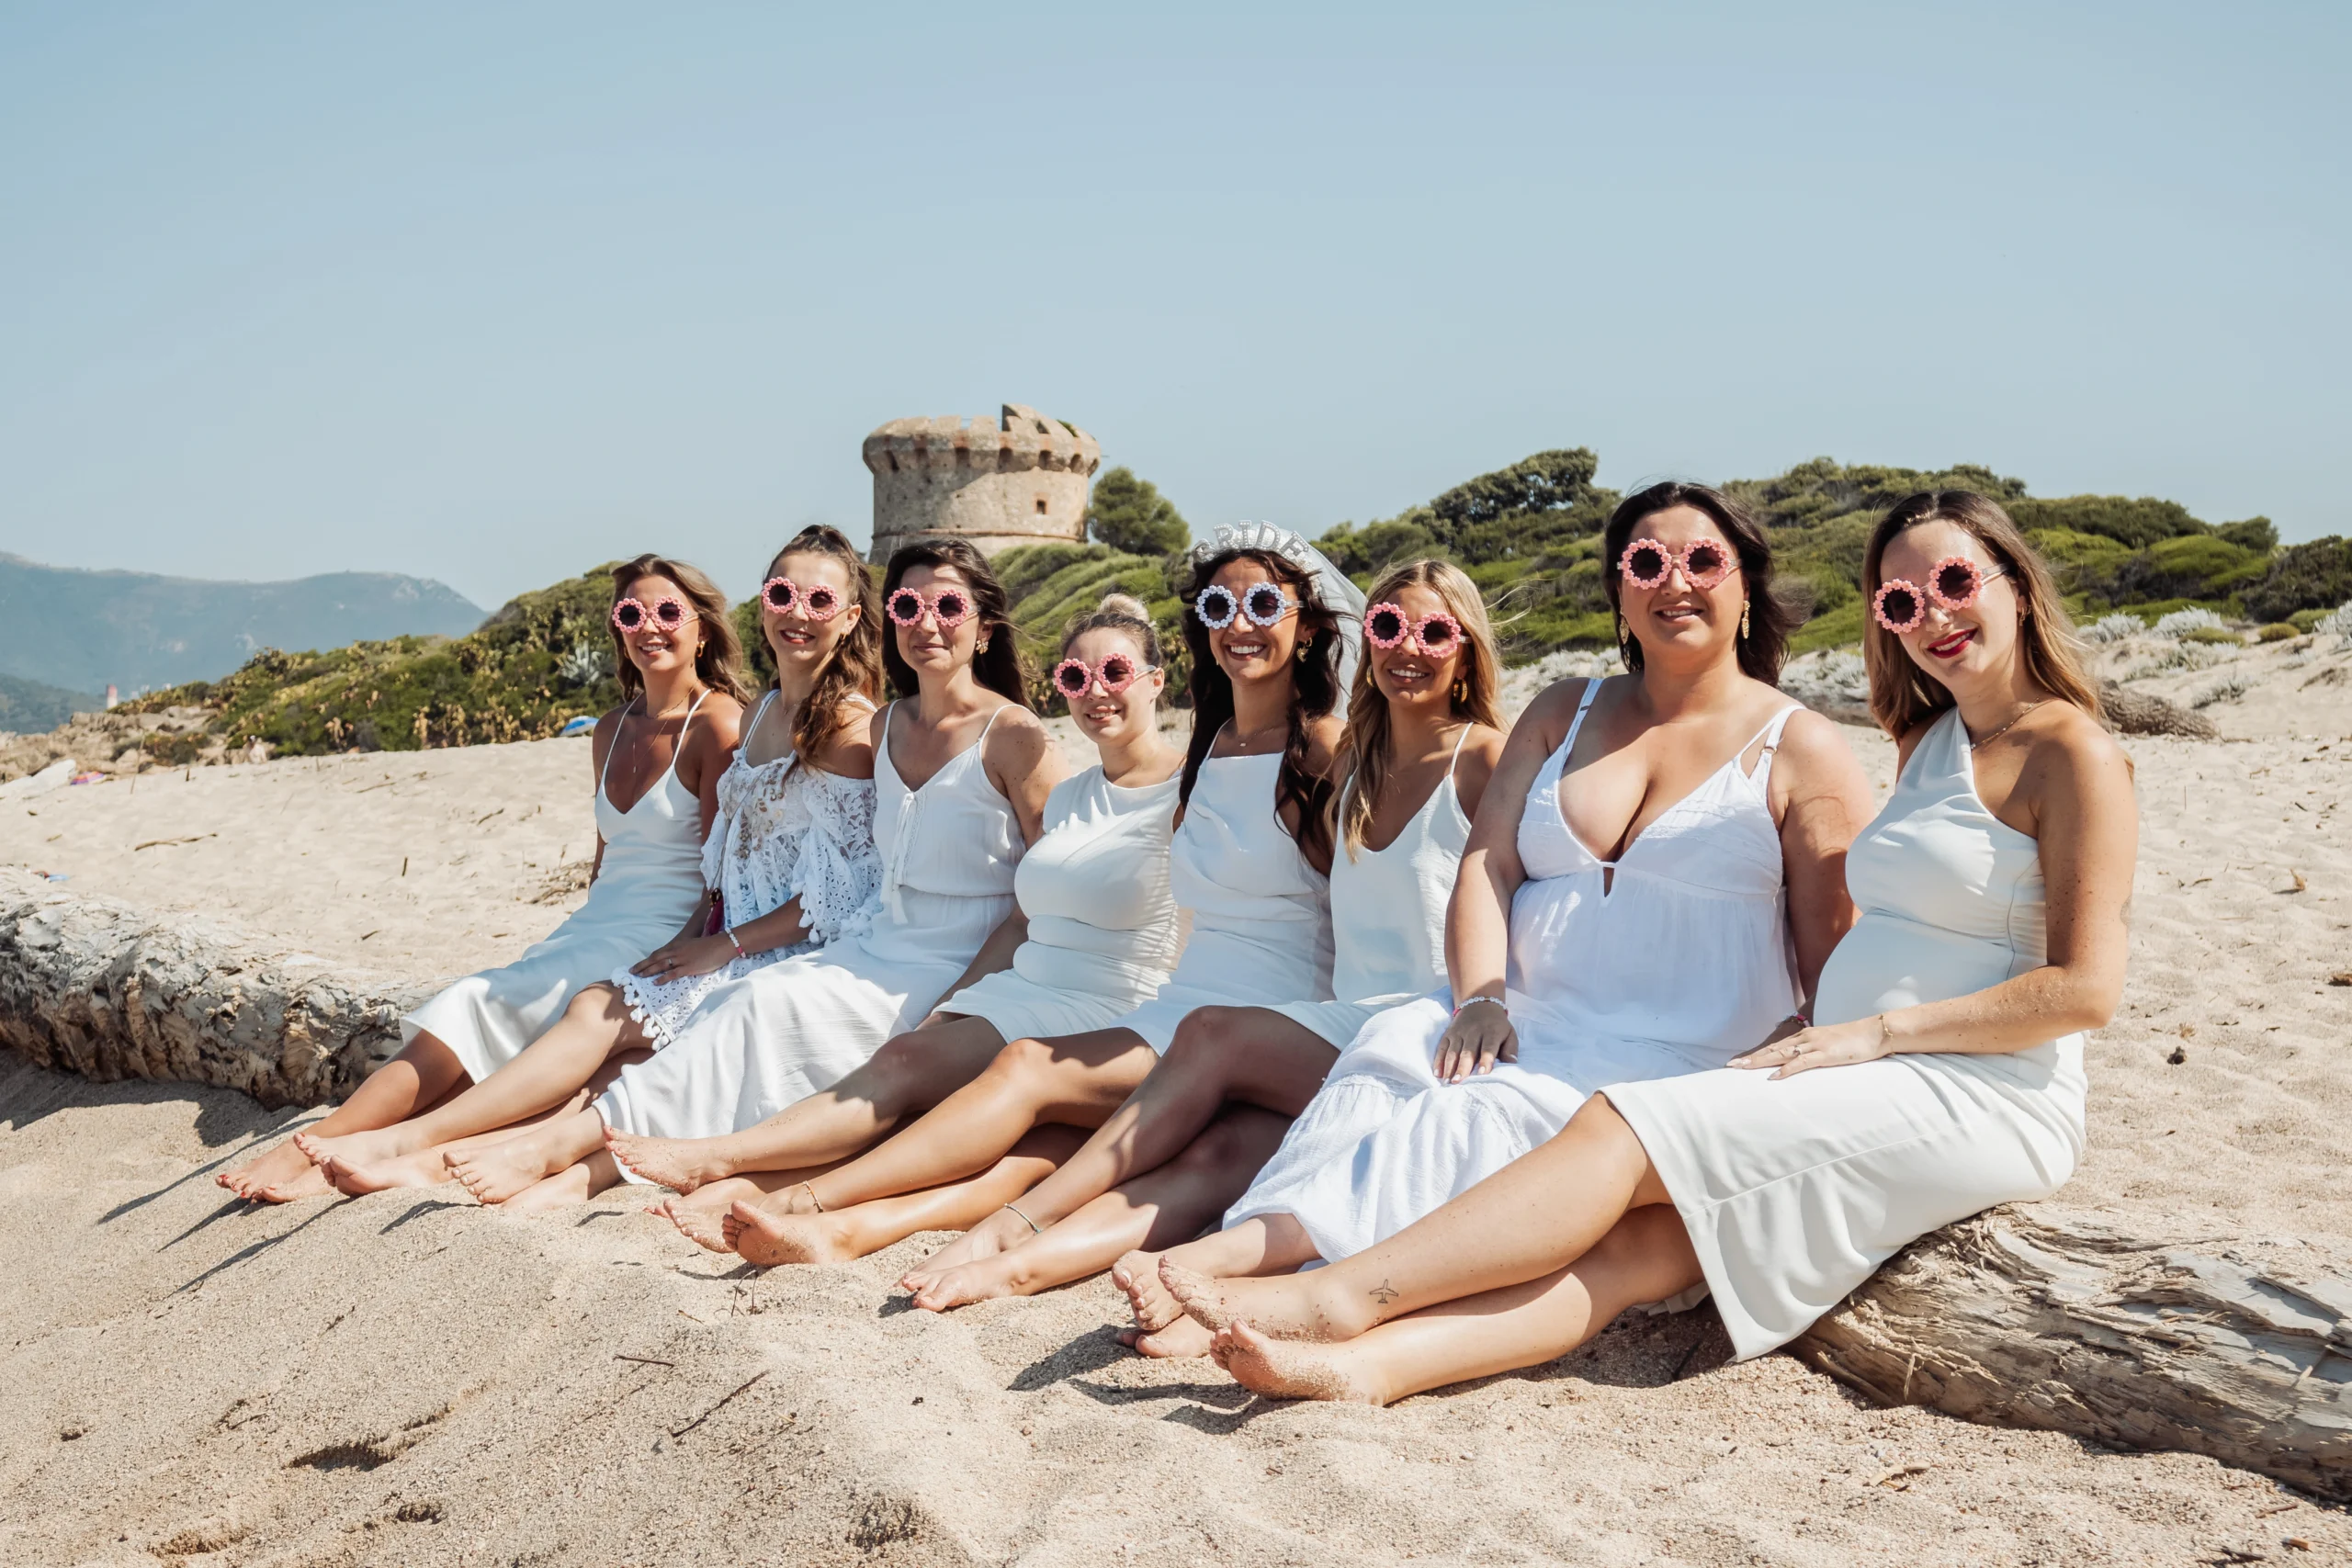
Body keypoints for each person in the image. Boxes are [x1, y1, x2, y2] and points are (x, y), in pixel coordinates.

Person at [1162, 489, 2134, 1406]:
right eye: (1900, 597)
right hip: (1859, 1061)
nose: (1931, 614)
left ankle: (1338, 1299)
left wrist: (1873, 1034)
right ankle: (1376, 1369)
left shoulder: (2071, 750)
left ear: (2014, 581)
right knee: (1645, 1246)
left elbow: (2085, 992)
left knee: (1621, 1127)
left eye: (1955, 583)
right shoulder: (1931, 741)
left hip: (1975, 1086)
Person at [1130, 479, 1876, 1352]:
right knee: (1393, 1047)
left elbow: (1837, 953)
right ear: (1619, 591)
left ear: (1745, 585)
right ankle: (1260, 1255)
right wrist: (1480, 993)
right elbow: (1487, 863)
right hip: (1524, 1005)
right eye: (1647, 560)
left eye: (1703, 559)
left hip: (1672, 1039)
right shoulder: (1567, 709)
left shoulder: (1803, 746)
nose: (1675, 580)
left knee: (1473, 1109)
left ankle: (1264, 1272)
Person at [668, 523, 1362, 1285]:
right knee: (1032, 1148)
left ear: (1307, 622)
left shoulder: (1325, 745)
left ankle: (813, 1198)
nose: (1240, 625)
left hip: (1264, 1011)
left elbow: (1364, 894)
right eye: (1220, 608)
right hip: (1179, 1004)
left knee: (1027, 1072)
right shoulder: (1213, 743)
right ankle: (841, 1223)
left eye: (1263, 603)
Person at [878, 558, 1508, 1318]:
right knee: (1213, 1159)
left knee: (1207, 1037)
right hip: (1341, 1024)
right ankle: (1025, 1263)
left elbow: (1516, 893)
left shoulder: (1481, 757)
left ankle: (1011, 1227)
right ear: (1365, 640)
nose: (1408, 647)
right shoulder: (1356, 763)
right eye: (1389, 626)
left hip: (1422, 1024)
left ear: (1467, 647)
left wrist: (1486, 1001)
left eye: (1435, 631)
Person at [433, 539, 1063, 1209]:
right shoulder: (889, 727)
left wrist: (960, 1004)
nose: (927, 621)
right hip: (874, 941)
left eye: (949, 606)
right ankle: (575, 1162)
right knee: (696, 1007)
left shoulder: (1012, 735)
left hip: (950, 960)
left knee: (752, 1002)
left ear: (984, 625)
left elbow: (1046, 897)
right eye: (909, 603)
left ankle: (567, 1148)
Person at [292, 528, 881, 1193]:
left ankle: (418, 1139)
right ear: (763, 601)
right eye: (782, 593)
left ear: (851, 615)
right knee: (610, 1044)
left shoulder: (848, 727)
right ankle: (451, 1152)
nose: (797, 612)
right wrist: (698, 939)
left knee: (600, 1010)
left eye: (819, 598)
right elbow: (726, 867)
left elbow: (839, 894)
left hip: (784, 952)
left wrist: (721, 946)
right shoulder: (764, 712)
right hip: (726, 937)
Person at [615, 592, 1191, 1254]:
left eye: (1115, 673)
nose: (1096, 692)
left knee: (926, 1073)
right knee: (916, 1066)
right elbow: (1019, 919)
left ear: (1156, 681)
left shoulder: (1186, 793)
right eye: (1074, 677)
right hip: (1028, 985)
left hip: (1112, 1002)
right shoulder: (1071, 794)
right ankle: (761, 1182)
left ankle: (747, 1171)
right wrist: (953, 1003)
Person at [217, 554, 749, 1202]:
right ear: (617, 628)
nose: (650, 627)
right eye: (632, 613)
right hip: (598, 921)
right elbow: (607, 856)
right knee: (482, 1006)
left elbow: (722, 870)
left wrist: (684, 955)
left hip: (662, 933)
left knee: (485, 999)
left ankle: (336, 1143)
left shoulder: (719, 723)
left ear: (701, 627)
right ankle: (331, 1146)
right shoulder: (609, 729)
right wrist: (580, 928)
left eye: (668, 612)